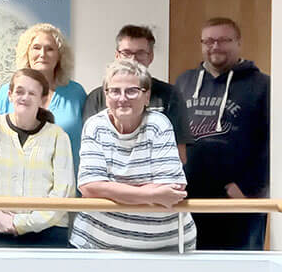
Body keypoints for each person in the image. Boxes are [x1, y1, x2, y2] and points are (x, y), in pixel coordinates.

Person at [72, 59, 196, 251]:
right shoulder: (95, 126)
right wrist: (152, 193)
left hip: (164, 245)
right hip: (99, 245)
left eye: (131, 91)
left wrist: (111, 188)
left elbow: (173, 188)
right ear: (106, 96)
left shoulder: (159, 124)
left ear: (146, 97)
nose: (122, 98)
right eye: (114, 91)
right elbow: (89, 187)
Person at [174, 17, 269, 250]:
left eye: (223, 40)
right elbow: (173, 136)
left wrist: (248, 188)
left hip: (239, 200)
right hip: (190, 197)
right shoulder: (184, 82)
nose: (215, 47)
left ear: (238, 43)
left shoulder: (263, 85)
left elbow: (271, 144)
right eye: (208, 41)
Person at [0, 68, 74, 247]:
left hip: (49, 231)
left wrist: (22, 223)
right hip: (2, 227)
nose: (25, 97)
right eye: (19, 91)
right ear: (10, 95)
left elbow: (64, 191)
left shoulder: (58, 136)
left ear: (43, 100)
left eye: (32, 93)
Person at [82, 25, 190, 163]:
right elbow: (91, 155)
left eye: (140, 53)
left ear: (150, 56)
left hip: (154, 180)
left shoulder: (169, 95)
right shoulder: (96, 98)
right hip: (110, 180)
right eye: (126, 53)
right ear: (117, 55)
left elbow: (179, 157)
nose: (133, 59)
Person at [0, 23, 87, 170]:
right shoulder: (7, 93)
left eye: (50, 49)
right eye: (36, 48)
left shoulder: (76, 93)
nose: (42, 54)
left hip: (67, 185)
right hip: (15, 185)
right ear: (27, 53)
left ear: (60, 56)